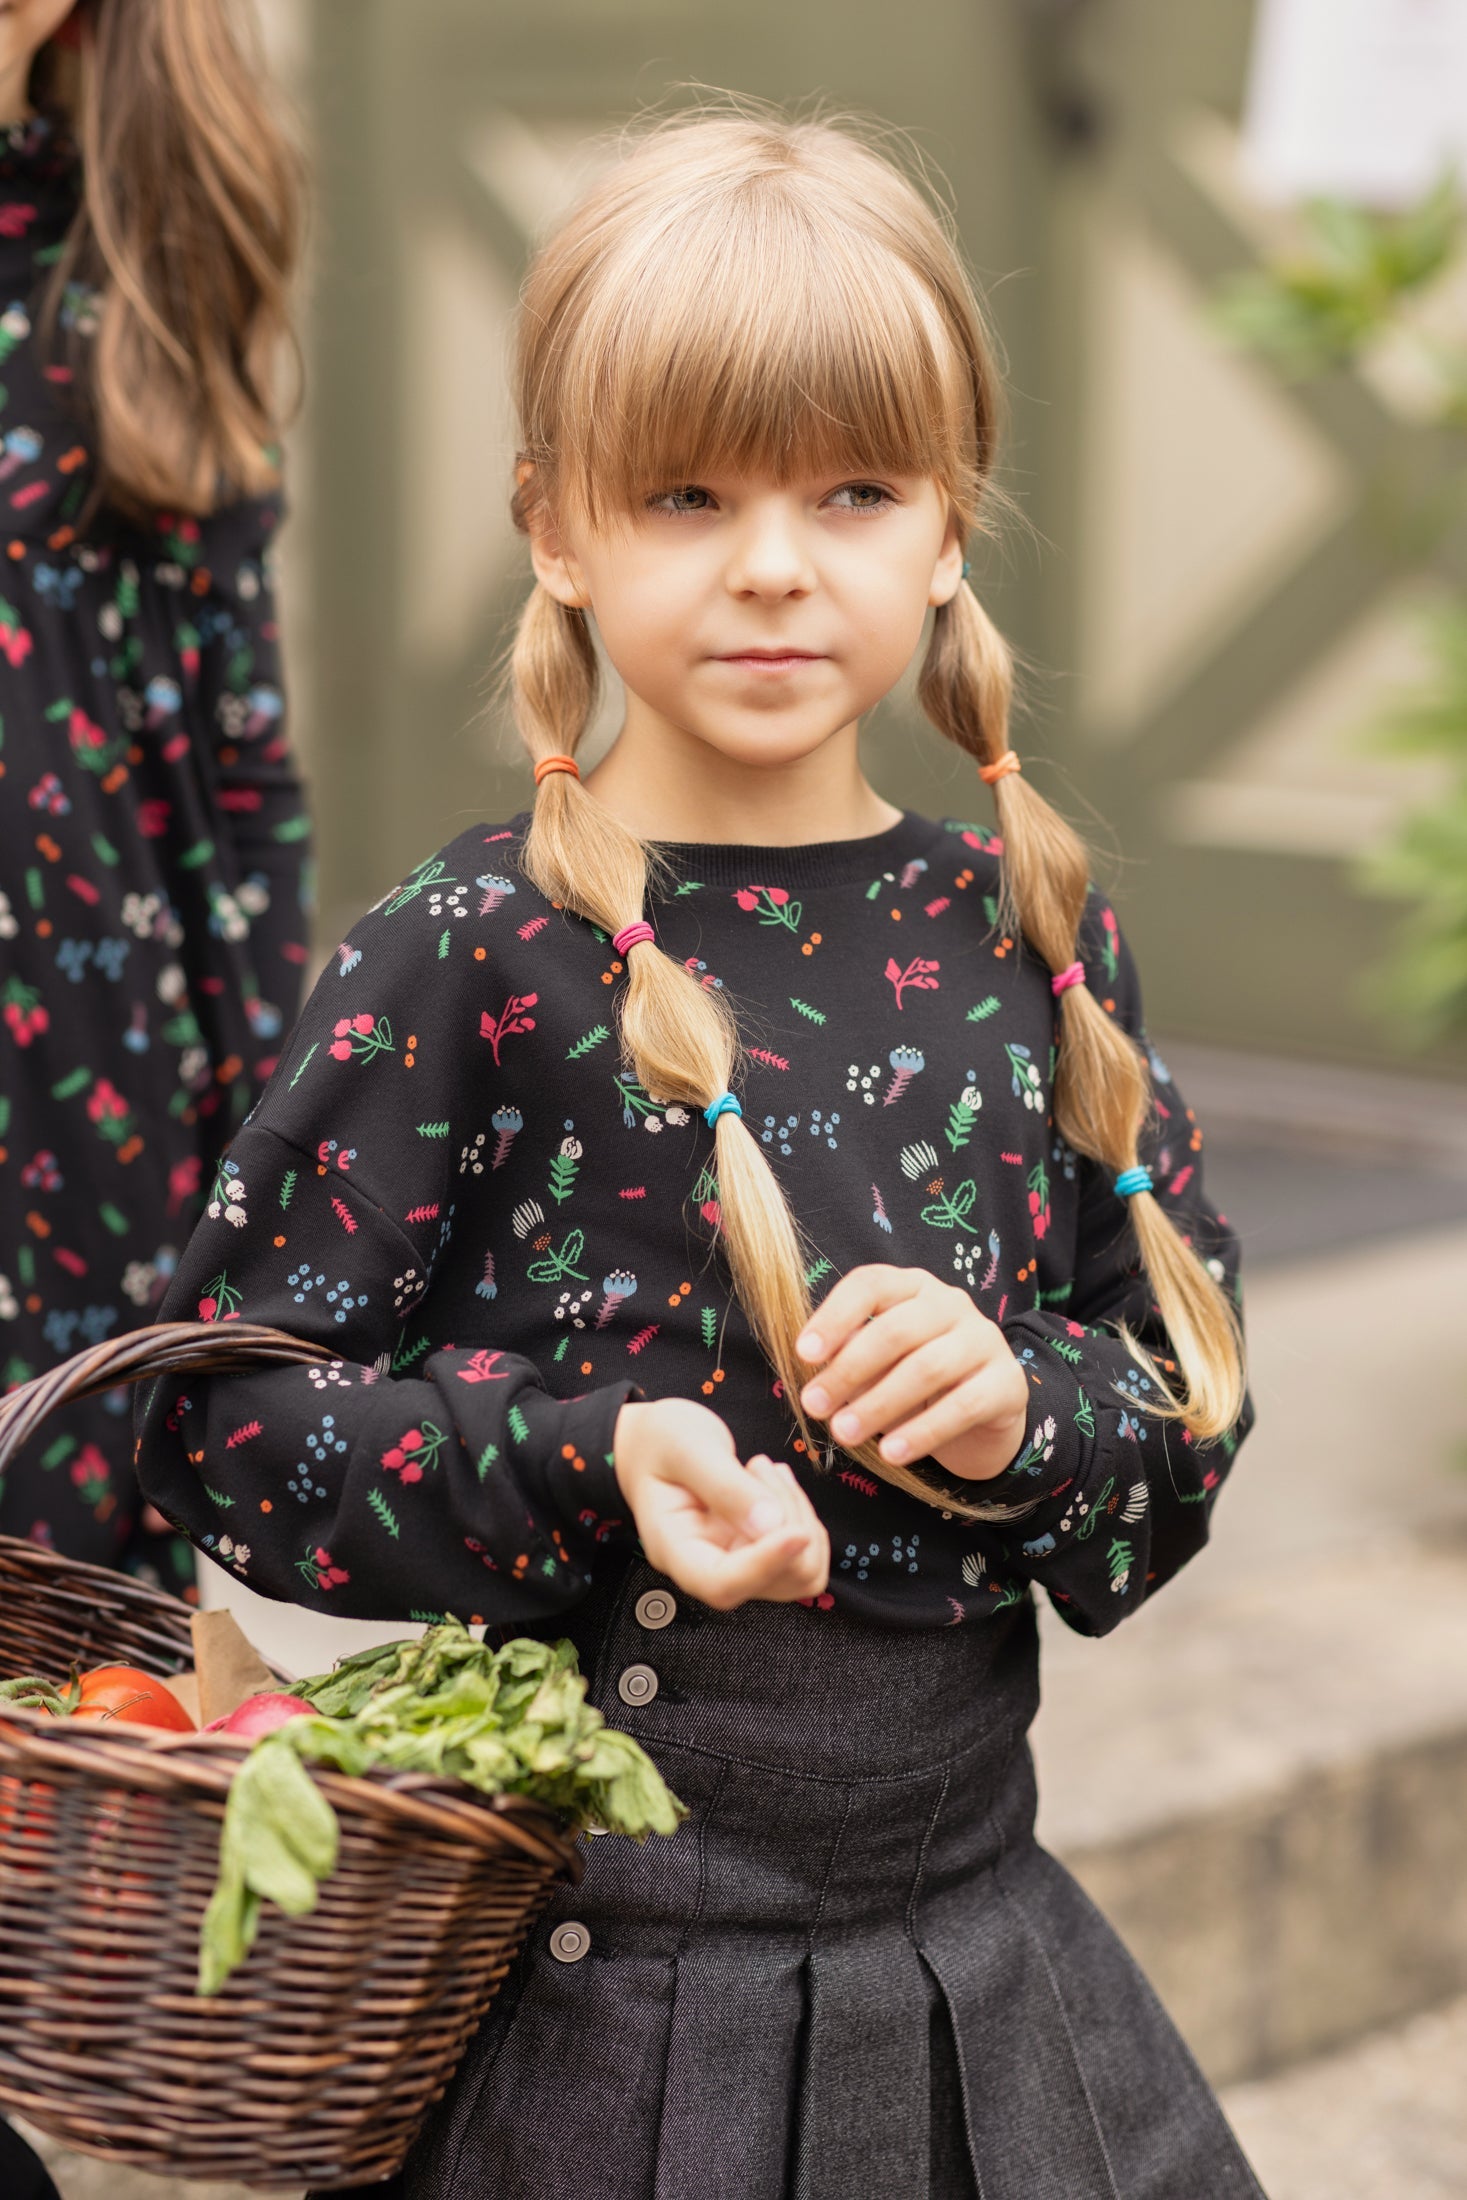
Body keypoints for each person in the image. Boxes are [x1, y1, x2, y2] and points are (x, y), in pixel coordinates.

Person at [138, 106, 1262, 2199]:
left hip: (980, 1973)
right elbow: (221, 1427)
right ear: (554, 525)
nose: (771, 562)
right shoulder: (474, 949)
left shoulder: (1024, 935)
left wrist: (1022, 1405)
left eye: (853, 490)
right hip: (592, 2016)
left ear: (949, 524)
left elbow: (1182, 1408)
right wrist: (592, 1461)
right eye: (685, 492)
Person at [0, 0, 310, 1599]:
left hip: (82, 1079)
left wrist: (269, 1119)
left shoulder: (131, 257)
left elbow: (240, 758)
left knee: (65, 1605)